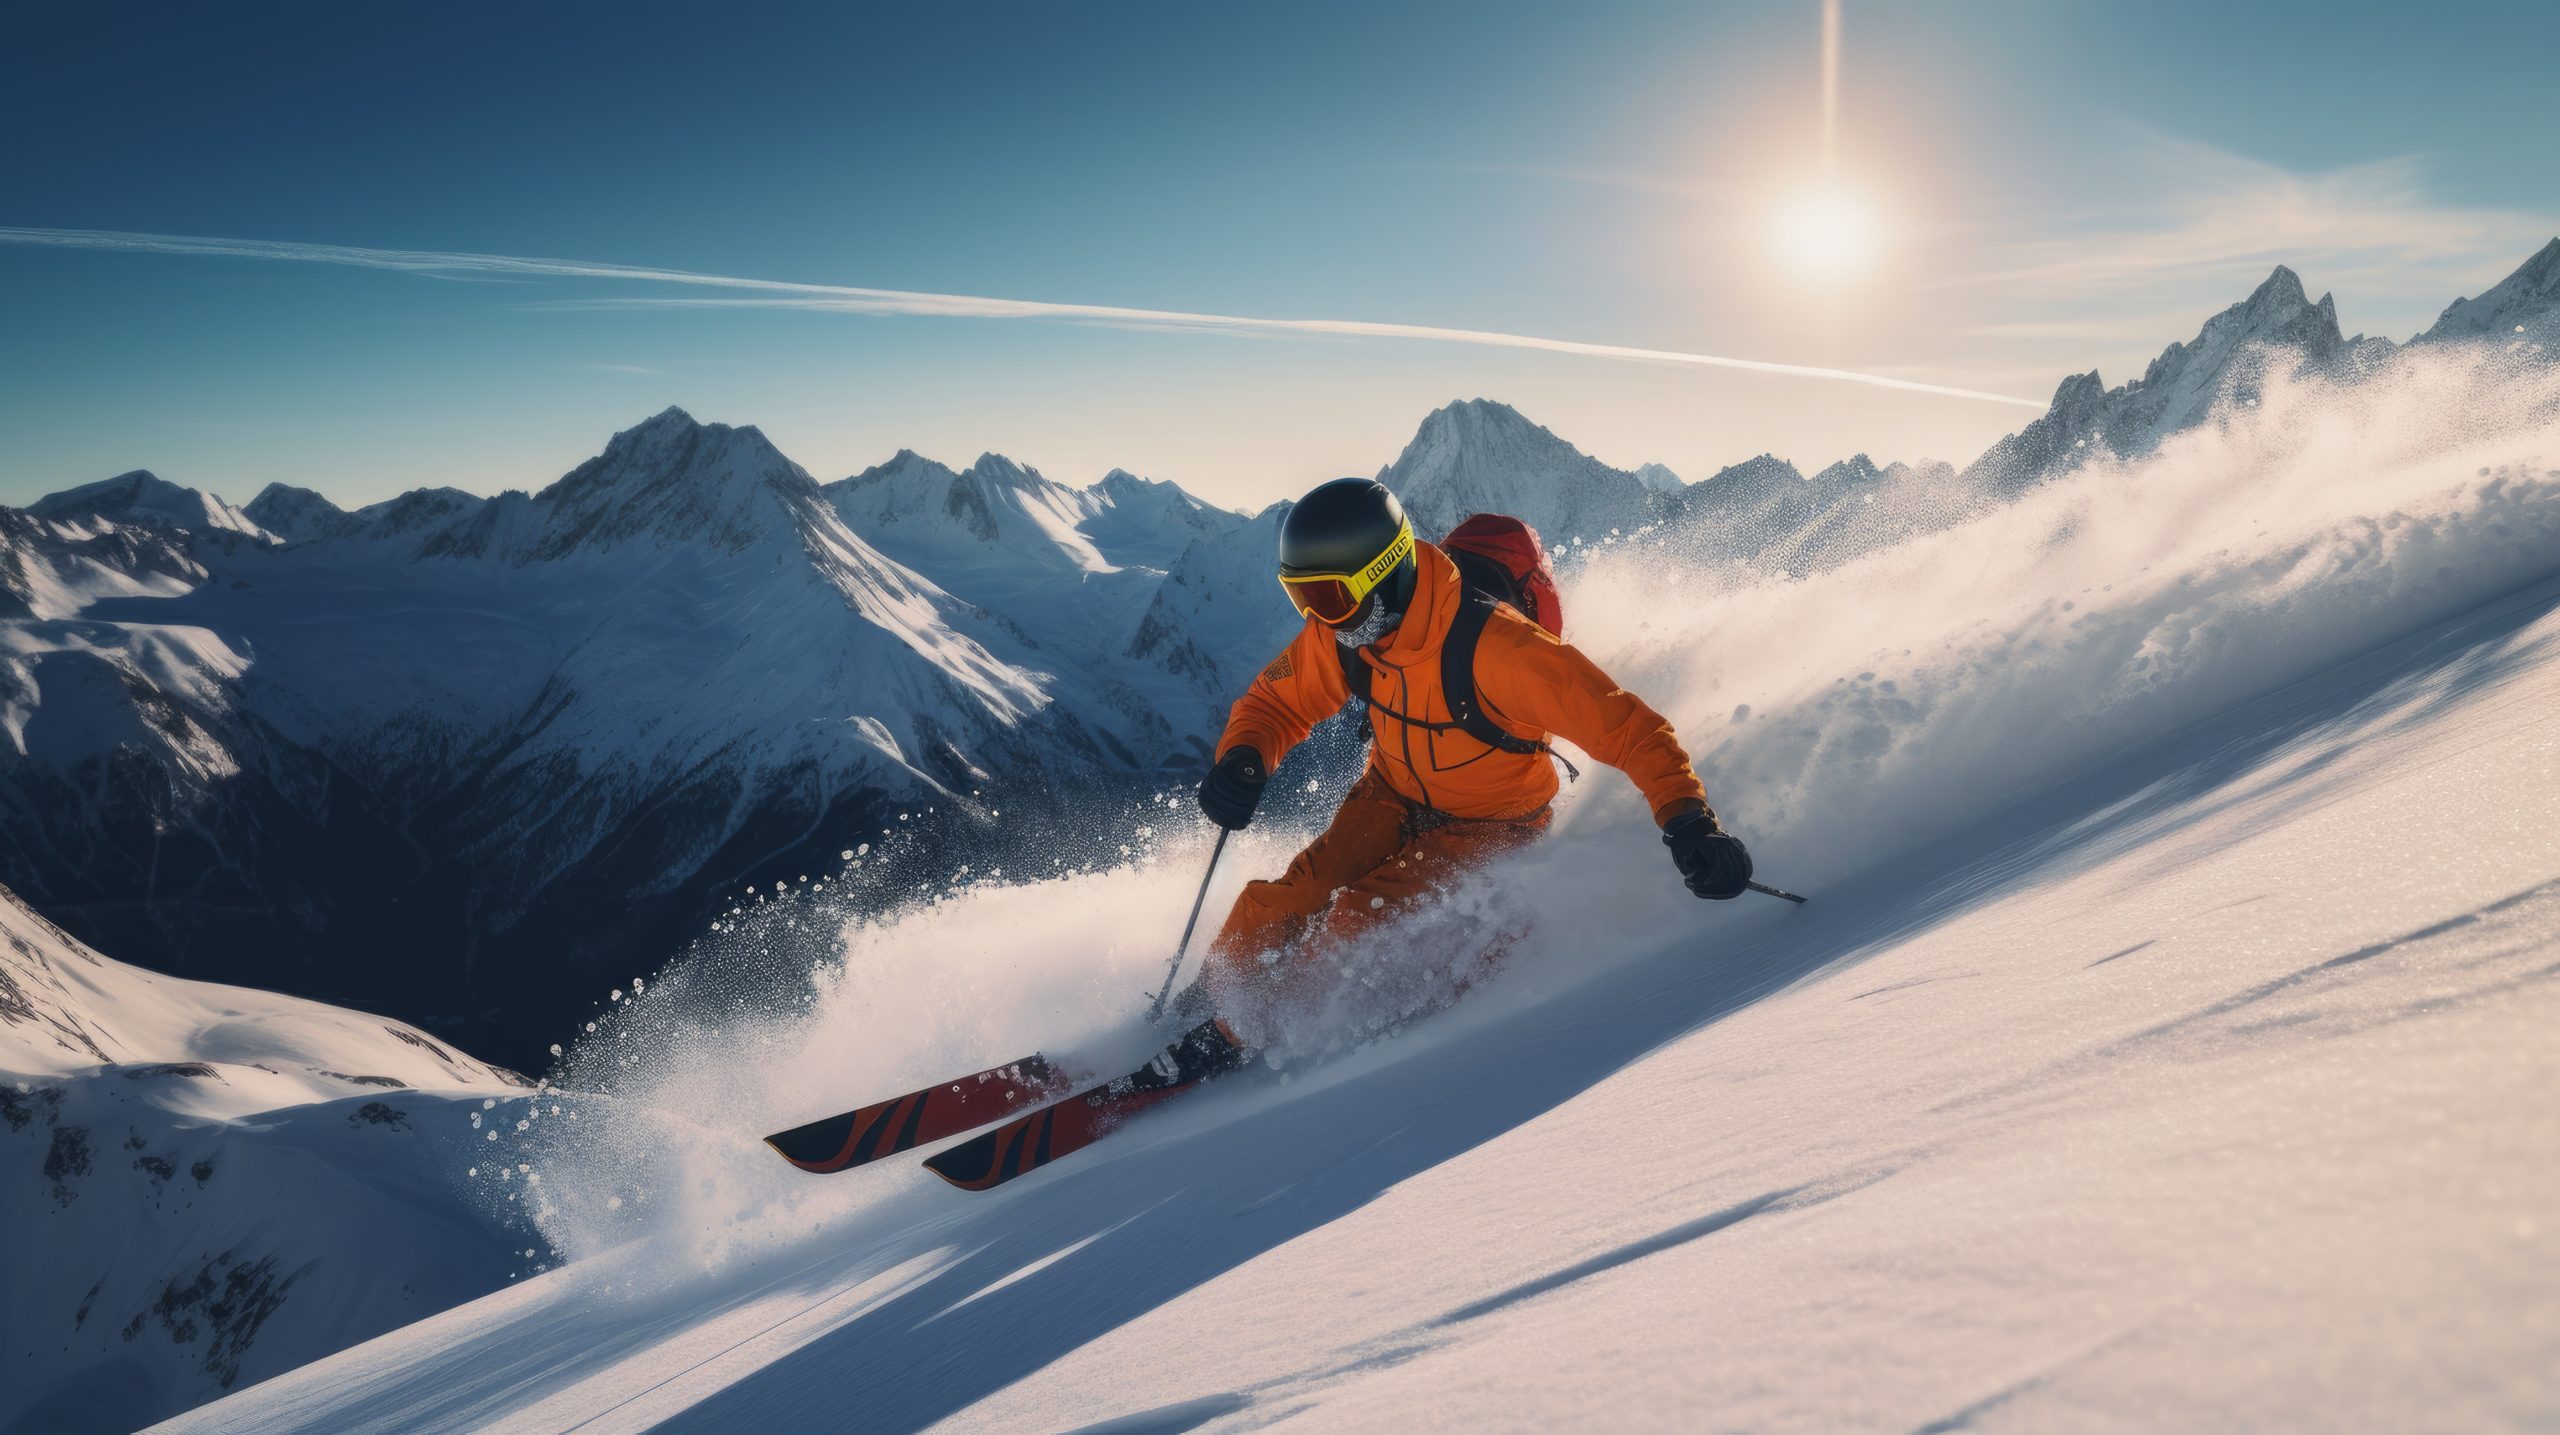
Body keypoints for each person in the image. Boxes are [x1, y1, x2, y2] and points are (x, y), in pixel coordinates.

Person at [1180, 476, 1751, 1049]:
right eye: (1301, 599)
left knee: (1358, 919)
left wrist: (1690, 823)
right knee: (1285, 900)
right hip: (1390, 793)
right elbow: (1276, 702)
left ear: (1384, 574)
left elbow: (1631, 730)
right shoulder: (1349, 633)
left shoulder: (1502, 650)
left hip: (1493, 825)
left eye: (1327, 597)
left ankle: (1253, 1039)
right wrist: (1245, 756)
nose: (1319, 618)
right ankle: (1209, 1004)